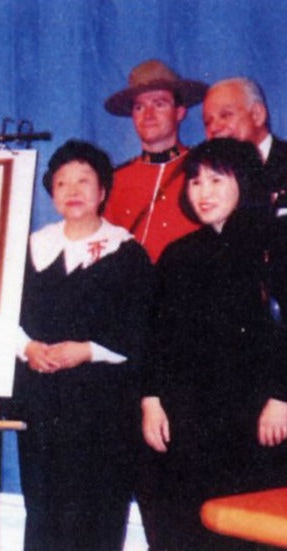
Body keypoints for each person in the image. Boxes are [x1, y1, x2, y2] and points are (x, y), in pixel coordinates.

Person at [142, 138, 287, 551]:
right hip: (187, 418)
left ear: (244, 181)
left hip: (259, 418)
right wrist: (151, 400)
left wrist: (282, 397)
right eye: (195, 181)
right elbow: (155, 335)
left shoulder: (275, 244)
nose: (203, 192)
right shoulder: (178, 254)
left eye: (216, 180)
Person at [13, 140, 155, 551]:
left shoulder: (126, 252)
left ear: (103, 190)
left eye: (83, 181)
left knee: (97, 512)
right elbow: (4, 314)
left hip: (102, 407)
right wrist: (27, 348)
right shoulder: (31, 248)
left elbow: (141, 328)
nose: (72, 191)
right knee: (42, 509)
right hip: (41, 401)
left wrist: (88, 349)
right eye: (62, 183)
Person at [103, 59, 208, 263]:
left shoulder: (203, 170)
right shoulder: (115, 181)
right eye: (139, 107)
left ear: (179, 112)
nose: (148, 115)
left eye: (159, 104)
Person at [203, 77, 287, 210]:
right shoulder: (209, 179)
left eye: (225, 115)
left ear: (257, 115)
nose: (213, 128)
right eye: (207, 122)